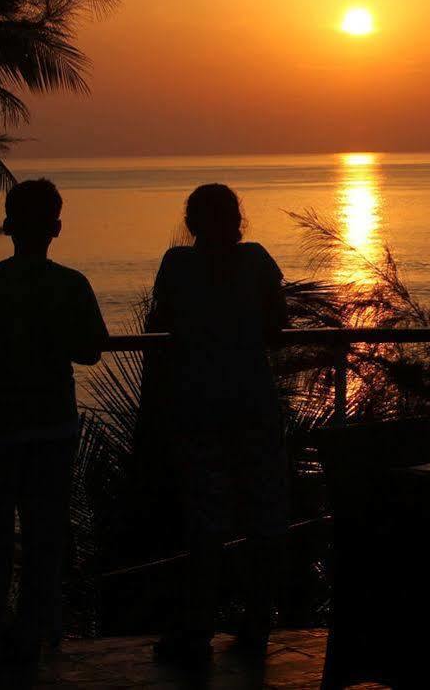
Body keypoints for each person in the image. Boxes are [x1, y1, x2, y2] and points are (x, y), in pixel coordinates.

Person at [0, 179, 108, 668]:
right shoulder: (71, 284)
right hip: (53, 426)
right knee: (44, 534)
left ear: (8, 225)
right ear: (56, 228)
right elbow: (92, 350)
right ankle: (32, 629)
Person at [148, 183, 289, 666]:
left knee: (204, 520)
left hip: (198, 404)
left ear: (190, 225)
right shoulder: (257, 262)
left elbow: (159, 325)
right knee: (261, 515)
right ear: (238, 221)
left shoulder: (176, 265)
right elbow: (277, 330)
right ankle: (257, 623)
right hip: (253, 403)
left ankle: (197, 627)